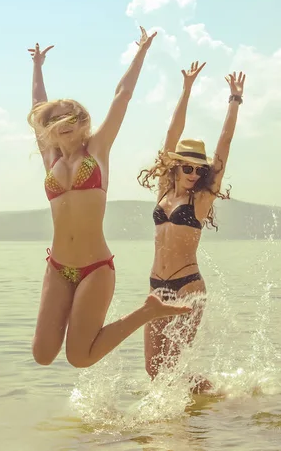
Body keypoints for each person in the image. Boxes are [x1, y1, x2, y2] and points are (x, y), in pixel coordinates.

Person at [27, 26, 192, 369]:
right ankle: (148, 310)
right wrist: (38, 65)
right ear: (50, 128)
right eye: (55, 120)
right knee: (42, 356)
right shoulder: (50, 157)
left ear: (81, 121)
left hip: (94, 268)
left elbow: (122, 96)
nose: (62, 123)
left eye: (69, 117)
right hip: (58, 267)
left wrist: (142, 51)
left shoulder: (97, 149)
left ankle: (148, 311)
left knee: (80, 357)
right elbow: (38, 107)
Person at [137, 62, 246, 390]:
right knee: (154, 370)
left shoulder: (201, 199)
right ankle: (211, 396)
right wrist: (186, 89)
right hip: (156, 286)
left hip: (188, 287)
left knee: (170, 368)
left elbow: (223, 146)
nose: (194, 174)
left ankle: (183, 426)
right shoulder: (164, 191)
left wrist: (234, 100)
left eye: (199, 170)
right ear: (175, 166)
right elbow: (171, 134)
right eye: (187, 168)